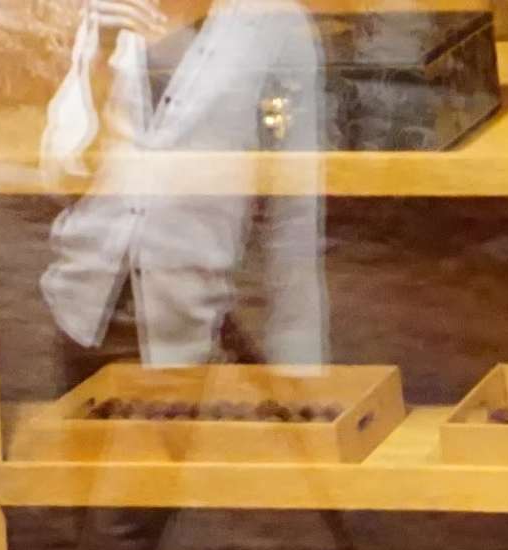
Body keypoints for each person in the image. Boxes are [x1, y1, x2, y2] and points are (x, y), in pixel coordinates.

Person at [36, 0, 331, 367]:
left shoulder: (274, 24)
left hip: (198, 333)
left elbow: (293, 212)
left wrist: (298, 369)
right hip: (80, 321)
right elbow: (58, 176)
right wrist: (98, 67)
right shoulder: (111, 10)